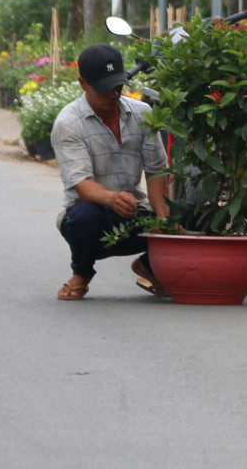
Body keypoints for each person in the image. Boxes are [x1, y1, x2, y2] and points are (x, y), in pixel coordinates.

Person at [52, 43, 172, 300]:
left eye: (118, 86)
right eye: (105, 89)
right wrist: (111, 199)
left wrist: (163, 216)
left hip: (134, 213)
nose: (113, 94)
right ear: (83, 83)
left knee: (194, 216)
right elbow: (81, 185)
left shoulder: (143, 113)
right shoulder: (68, 123)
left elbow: (156, 169)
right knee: (84, 218)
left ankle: (149, 266)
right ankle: (81, 273)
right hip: (92, 220)